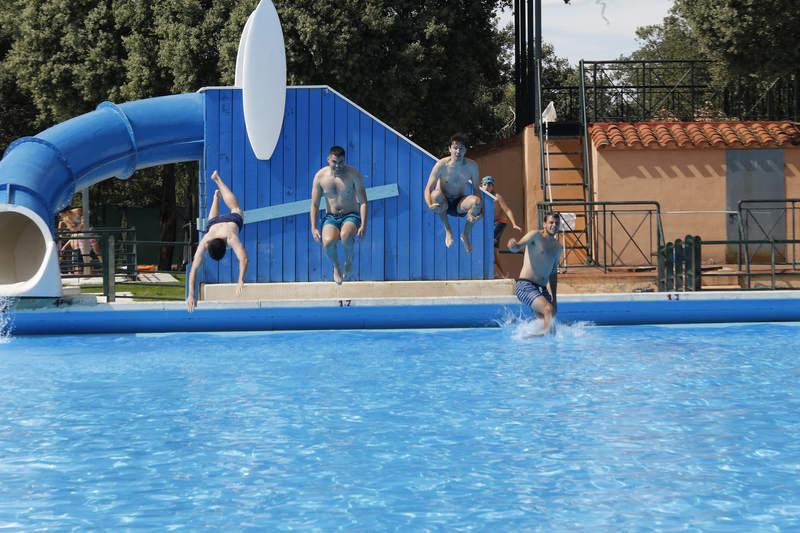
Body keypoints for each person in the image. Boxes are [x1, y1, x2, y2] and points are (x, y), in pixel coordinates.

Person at [186, 170, 248, 312]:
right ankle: (216, 196)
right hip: (213, 225)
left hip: (231, 222)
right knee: (211, 222)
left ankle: (218, 180)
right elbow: (194, 269)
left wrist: (241, 279)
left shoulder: (230, 238)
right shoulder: (206, 239)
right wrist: (191, 295)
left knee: (236, 208)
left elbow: (244, 259)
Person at [310, 145, 368, 284]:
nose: (338, 166)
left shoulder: (353, 175)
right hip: (331, 217)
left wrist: (364, 225)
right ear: (328, 159)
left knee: (345, 236)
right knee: (328, 242)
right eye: (334, 162)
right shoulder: (320, 177)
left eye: (341, 162)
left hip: (350, 215)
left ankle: (348, 260)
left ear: (345, 160)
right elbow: (315, 204)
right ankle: (336, 266)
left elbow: (363, 202)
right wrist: (313, 227)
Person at [424, 133, 482, 252]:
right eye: (455, 148)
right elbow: (428, 188)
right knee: (435, 194)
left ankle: (465, 234)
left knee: (476, 202)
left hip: (459, 203)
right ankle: (448, 230)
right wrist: (429, 205)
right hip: (443, 202)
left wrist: (480, 212)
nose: (458, 152)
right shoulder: (442, 165)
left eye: (461, 148)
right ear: (450, 149)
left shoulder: (472, 166)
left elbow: (477, 189)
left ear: (465, 150)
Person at [508, 211, 562, 336]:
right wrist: (513, 245)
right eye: (551, 222)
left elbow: (553, 274)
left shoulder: (557, 247)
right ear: (544, 224)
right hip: (525, 285)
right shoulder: (535, 236)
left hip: (542, 289)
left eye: (557, 223)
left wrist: (555, 299)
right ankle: (535, 337)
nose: (554, 225)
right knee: (548, 310)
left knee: (551, 325)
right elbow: (518, 246)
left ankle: (533, 343)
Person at [480, 175, 522, 278]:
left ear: (493, 187)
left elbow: (507, 210)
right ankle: (504, 274)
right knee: (494, 251)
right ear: (481, 185)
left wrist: (514, 224)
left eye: (489, 185)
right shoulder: (480, 196)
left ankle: (489, 271)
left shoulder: (497, 197)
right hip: (491, 224)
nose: (487, 187)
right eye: (485, 185)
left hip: (500, 222)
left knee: (488, 242)